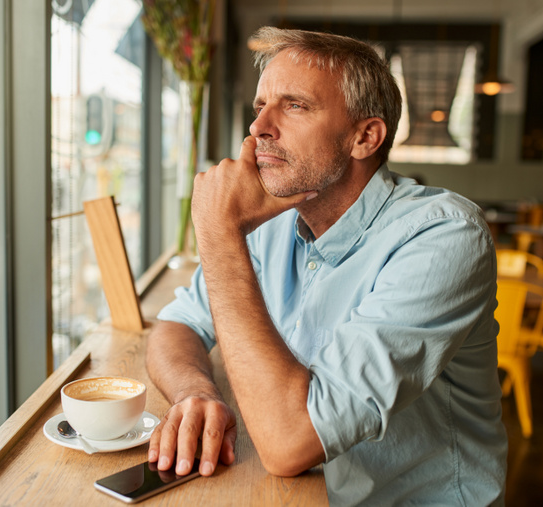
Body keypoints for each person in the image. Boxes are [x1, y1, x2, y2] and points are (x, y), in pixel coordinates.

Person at [146, 26, 507, 505]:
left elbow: (288, 441)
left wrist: (218, 233)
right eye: (260, 107)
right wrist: (197, 392)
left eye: (294, 105)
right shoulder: (273, 222)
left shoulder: (443, 236)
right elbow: (177, 324)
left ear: (364, 137)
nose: (259, 129)